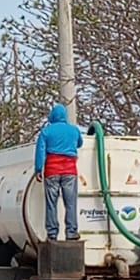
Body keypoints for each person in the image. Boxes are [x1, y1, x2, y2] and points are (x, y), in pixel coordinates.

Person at [34, 103, 84, 241]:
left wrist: (38, 169)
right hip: (70, 171)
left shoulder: (46, 132)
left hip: (52, 170)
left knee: (51, 203)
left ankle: (52, 233)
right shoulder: (74, 130)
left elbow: (40, 152)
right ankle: (71, 232)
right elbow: (80, 143)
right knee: (70, 203)